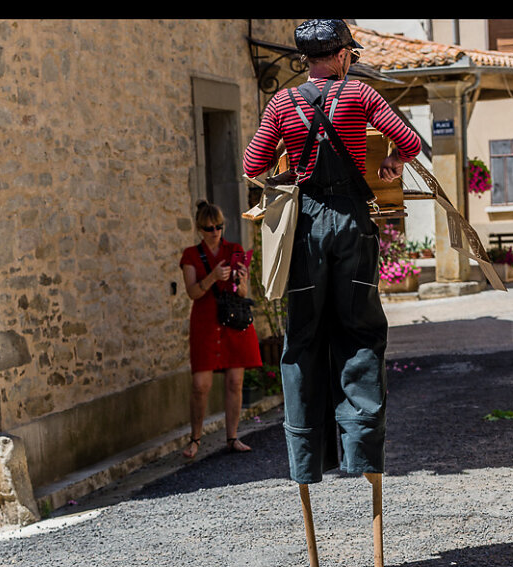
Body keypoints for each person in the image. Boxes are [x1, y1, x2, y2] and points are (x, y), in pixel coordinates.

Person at [243, 18, 422, 486]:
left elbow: (251, 164)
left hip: (307, 229)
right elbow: (410, 142)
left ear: (307, 61)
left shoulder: (282, 102)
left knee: (303, 338)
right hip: (352, 223)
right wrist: (391, 160)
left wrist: (288, 158)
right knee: (360, 332)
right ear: (343, 55)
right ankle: (362, 452)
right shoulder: (361, 96)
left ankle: (306, 460)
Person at [179, 200, 262, 458]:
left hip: (233, 321)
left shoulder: (234, 250)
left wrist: (241, 281)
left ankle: (232, 437)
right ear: (199, 229)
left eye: (218, 226)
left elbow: (244, 292)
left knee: (235, 382)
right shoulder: (191, 255)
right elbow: (193, 292)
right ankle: (195, 439)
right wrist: (213, 277)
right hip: (205, 323)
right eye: (209, 227)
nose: (215, 231)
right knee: (200, 385)